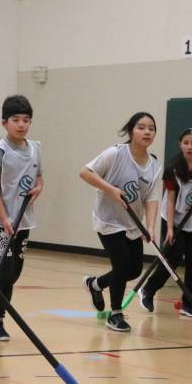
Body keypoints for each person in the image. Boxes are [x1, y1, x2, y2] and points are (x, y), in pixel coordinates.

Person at [79, 112, 162, 333]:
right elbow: (85, 173)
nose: (147, 132)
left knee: (134, 270)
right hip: (108, 219)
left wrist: (150, 226)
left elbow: (151, 198)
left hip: (132, 222)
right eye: (141, 127)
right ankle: (115, 314)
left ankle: (95, 284)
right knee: (122, 266)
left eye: (151, 128)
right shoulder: (115, 154)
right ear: (131, 131)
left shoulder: (154, 166)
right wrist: (109, 189)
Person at [0, 95, 43, 341]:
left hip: (22, 218)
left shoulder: (35, 148)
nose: (21, 124)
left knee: (13, 273)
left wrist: (39, 188)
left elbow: (39, 178)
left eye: (26, 120)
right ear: (4, 123)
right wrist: (4, 218)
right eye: (16, 120)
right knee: (0, 272)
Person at [140, 127, 192, 316]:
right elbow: (170, 199)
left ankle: (189, 303)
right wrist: (170, 228)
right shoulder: (172, 168)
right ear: (180, 144)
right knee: (173, 259)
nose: (189, 147)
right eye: (186, 143)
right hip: (174, 217)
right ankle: (148, 290)